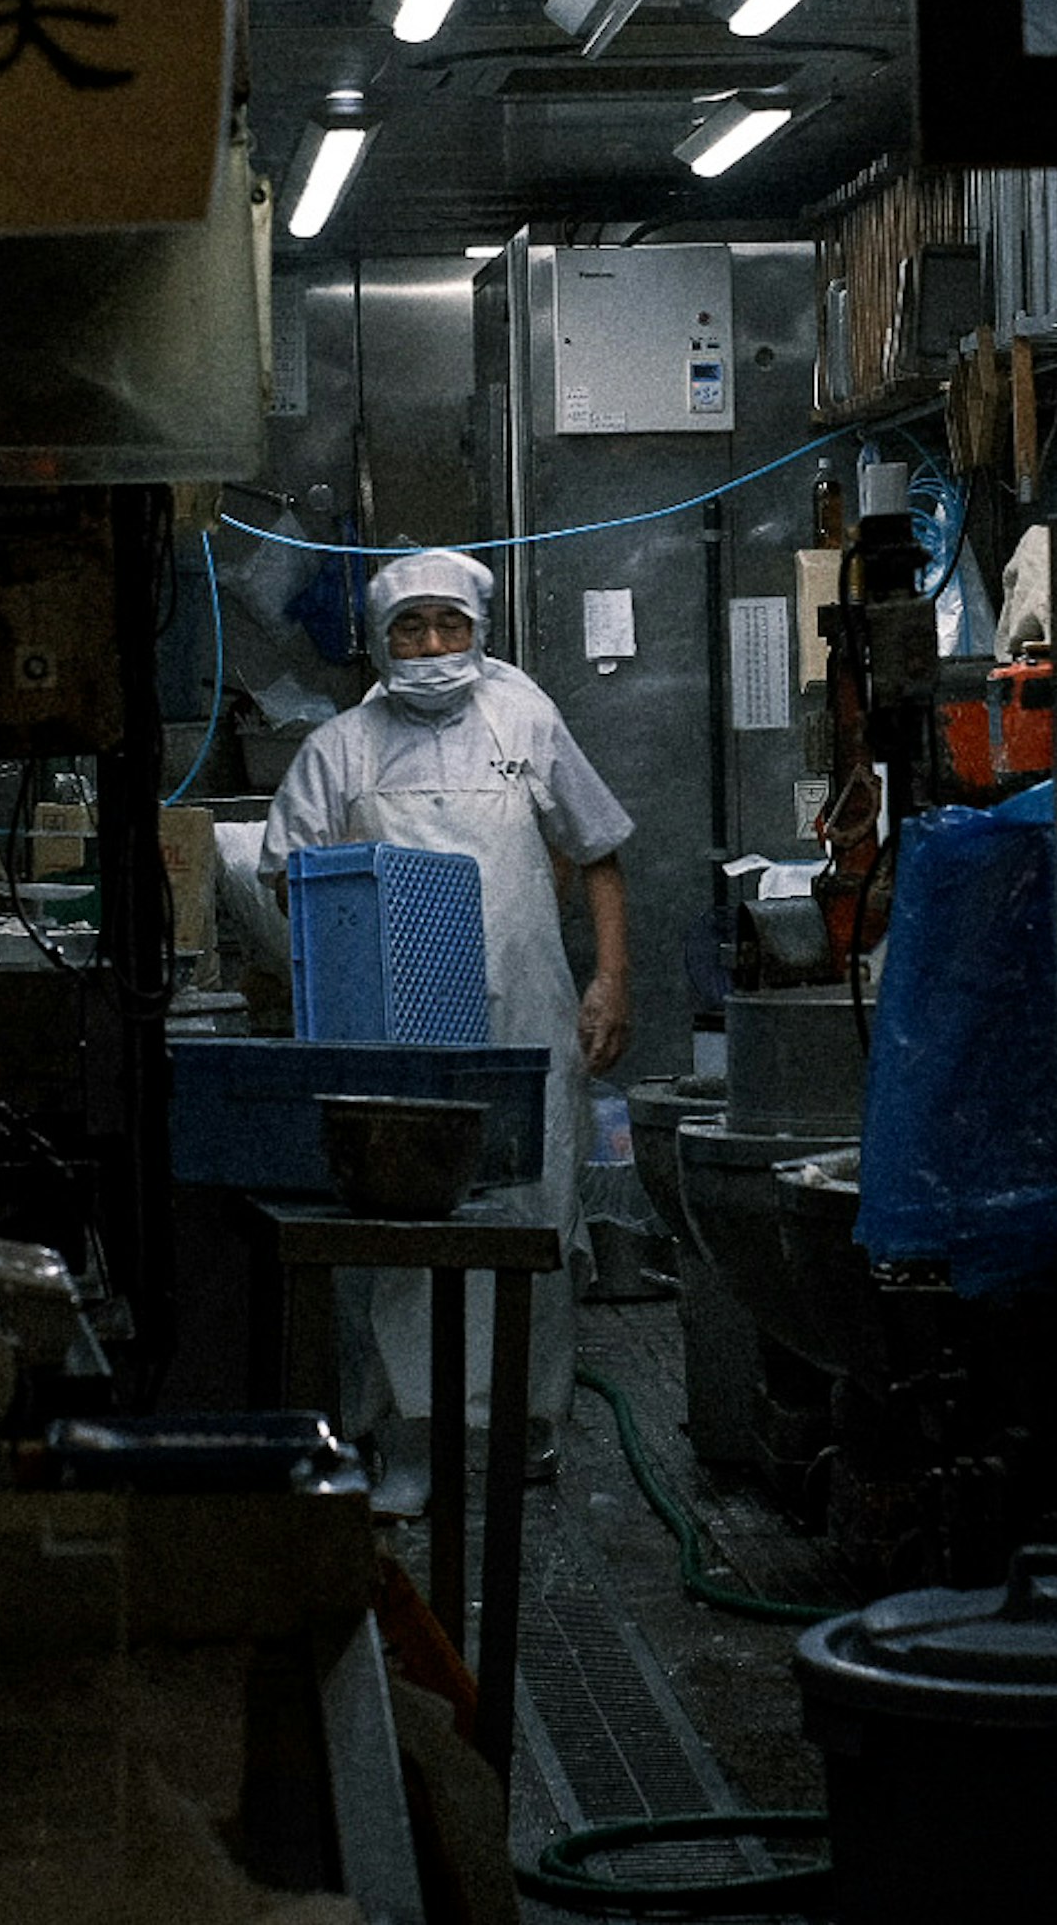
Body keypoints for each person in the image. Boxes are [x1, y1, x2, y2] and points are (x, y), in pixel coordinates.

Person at [262, 547, 631, 1506]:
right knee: (406, 1229)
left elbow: (596, 852)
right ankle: (407, 1431)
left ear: (479, 630)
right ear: (380, 642)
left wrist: (611, 982)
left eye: (449, 627)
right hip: (396, 1032)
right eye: (411, 630)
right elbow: (281, 876)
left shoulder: (525, 716)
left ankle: (523, 1425)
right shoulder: (339, 746)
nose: (432, 646)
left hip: (525, 1012)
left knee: (533, 1211)